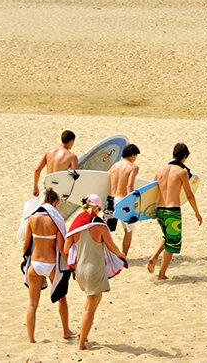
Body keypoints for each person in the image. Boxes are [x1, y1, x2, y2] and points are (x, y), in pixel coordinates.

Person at [68, 195, 127, 349]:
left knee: (90, 303)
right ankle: (81, 343)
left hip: (79, 270)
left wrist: (72, 264)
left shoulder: (76, 225)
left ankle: (82, 332)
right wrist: (121, 255)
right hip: (94, 270)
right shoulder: (100, 226)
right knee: (90, 308)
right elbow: (111, 246)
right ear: (98, 208)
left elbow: (65, 248)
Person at [22, 189, 75, 343]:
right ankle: (66, 331)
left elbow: (26, 245)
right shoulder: (56, 220)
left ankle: (31, 339)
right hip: (51, 264)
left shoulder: (32, 218)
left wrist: (25, 261)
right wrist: (71, 264)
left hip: (35, 264)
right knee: (62, 299)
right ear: (55, 203)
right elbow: (61, 247)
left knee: (32, 305)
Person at [146, 144, 202, 280]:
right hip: (172, 211)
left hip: (159, 210)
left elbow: (151, 191)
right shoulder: (181, 172)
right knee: (172, 244)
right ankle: (161, 274)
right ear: (184, 157)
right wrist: (197, 212)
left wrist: (151, 211)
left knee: (167, 235)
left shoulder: (160, 170)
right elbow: (189, 195)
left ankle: (154, 257)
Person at [106, 144, 140, 258]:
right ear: (132, 155)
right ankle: (123, 256)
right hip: (123, 200)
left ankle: (107, 256)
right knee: (128, 230)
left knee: (107, 231)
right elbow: (129, 186)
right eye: (135, 156)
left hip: (110, 199)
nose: (135, 159)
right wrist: (132, 201)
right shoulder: (133, 167)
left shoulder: (114, 166)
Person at [32, 131, 78, 197]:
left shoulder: (48, 152)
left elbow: (37, 170)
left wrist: (35, 187)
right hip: (59, 190)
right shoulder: (72, 157)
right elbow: (76, 175)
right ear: (71, 141)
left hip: (48, 189)